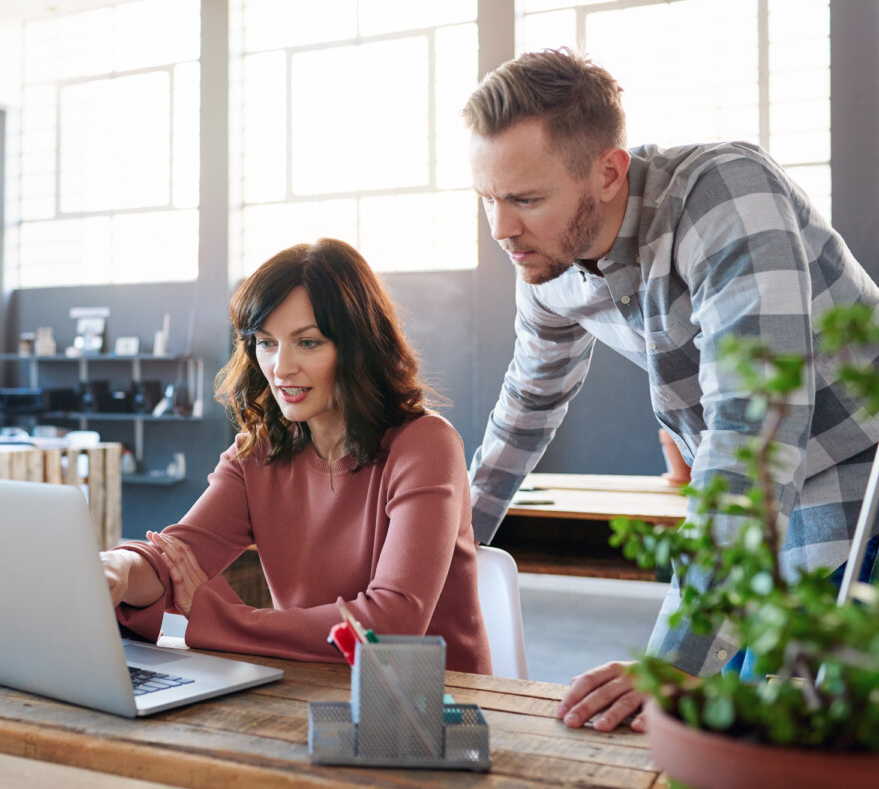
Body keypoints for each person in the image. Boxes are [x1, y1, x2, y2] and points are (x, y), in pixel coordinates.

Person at [463, 48, 879, 731]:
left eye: (526, 199)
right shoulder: (545, 253)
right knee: (715, 720)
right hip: (758, 503)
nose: (501, 229)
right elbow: (526, 407)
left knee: (789, 725)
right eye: (488, 197)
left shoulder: (725, 197)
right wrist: (447, 557)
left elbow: (754, 440)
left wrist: (672, 663)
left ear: (607, 171)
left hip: (855, 467)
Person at [101, 238, 491, 674]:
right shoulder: (257, 452)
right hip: (309, 689)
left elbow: (391, 625)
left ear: (359, 346)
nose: (281, 367)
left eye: (308, 343)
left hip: (429, 710)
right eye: (266, 343)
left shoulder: (425, 444)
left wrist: (222, 619)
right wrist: (113, 568)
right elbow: (176, 557)